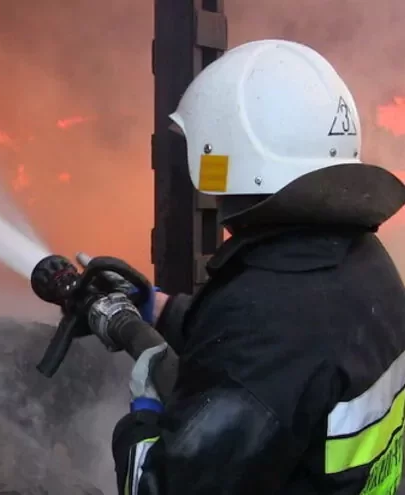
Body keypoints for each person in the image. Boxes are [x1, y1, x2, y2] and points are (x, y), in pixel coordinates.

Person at [84, 39, 405, 494]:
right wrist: (162, 309)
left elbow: (161, 487)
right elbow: (292, 358)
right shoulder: (364, 265)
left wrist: (145, 415)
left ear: (237, 156)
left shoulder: (269, 325)